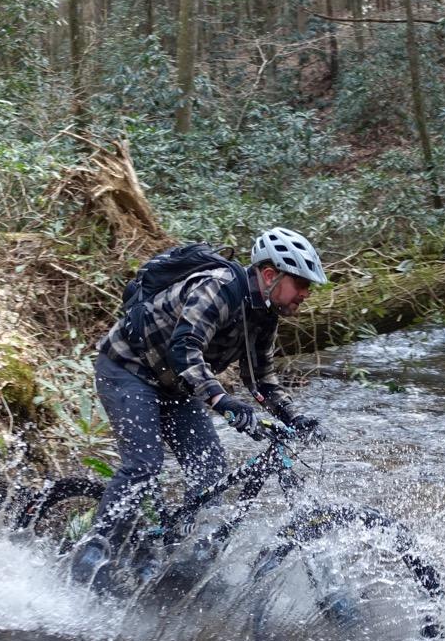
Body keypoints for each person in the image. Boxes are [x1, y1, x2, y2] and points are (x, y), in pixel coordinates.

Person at [74, 227, 326, 580]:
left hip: (175, 387)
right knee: (144, 463)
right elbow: (185, 348)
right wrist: (222, 400)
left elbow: (261, 378)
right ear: (271, 275)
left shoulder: (265, 313)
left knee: (210, 471)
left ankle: (171, 555)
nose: (305, 294)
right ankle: (93, 550)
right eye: (300, 284)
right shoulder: (219, 287)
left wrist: (293, 417)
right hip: (127, 368)